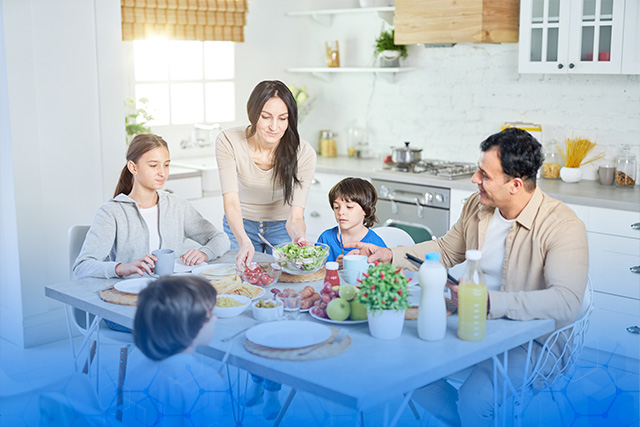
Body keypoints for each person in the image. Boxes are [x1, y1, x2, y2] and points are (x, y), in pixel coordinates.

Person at [347, 128, 589, 426]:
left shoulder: (562, 225)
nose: (475, 179)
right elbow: (446, 250)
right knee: (406, 372)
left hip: (534, 341)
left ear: (515, 184)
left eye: (485, 175)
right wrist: (391, 254)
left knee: (475, 401)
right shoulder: (478, 207)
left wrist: (486, 302)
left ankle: (473, 416)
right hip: (472, 322)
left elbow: (566, 302)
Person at [74, 133, 230, 279]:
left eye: (166, 165)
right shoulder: (112, 212)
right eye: (154, 165)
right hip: (131, 297)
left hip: (171, 291)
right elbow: (83, 266)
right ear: (133, 167)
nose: (163, 173)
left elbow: (220, 238)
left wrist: (205, 253)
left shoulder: (177, 206)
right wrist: (122, 268)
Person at [216, 80, 317, 271]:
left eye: (282, 118)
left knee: (284, 281)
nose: (274, 126)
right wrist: (244, 241)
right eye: (265, 117)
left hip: (282, 227)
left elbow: (296, 216)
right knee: (241, 282)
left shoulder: (303, 153)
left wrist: (298, 237)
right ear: (253, 114)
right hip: (240, 227)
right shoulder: (228, 141)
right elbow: (230, 201)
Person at [124, 275, 230, 426]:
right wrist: (211, 381)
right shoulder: (208, 381)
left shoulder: (135, 370)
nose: (215, 319)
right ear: (190, 325)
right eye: (210, 314)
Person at [317, 177, 386, 265]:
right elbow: (315, 272)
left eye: (349, 207)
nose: (341, 212)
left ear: (365, 210)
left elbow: (383, 274)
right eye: (336, 207)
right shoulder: (325, 238)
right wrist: (334, 266)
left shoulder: (375, 244)